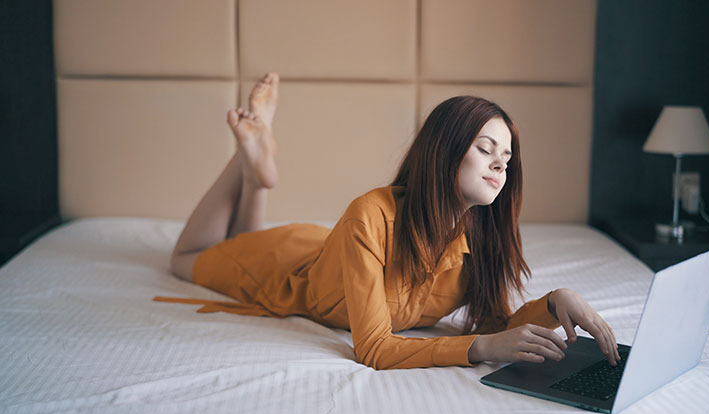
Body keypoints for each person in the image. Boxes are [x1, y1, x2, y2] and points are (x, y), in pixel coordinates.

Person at [154, 72, 621, 370]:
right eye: (485, 148)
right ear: (444, 150)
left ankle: (257, 176)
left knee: (239, 237)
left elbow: (497, 328)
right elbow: (373, 348)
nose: (501, 165)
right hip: (287, 267)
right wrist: (478, 350)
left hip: (333, 252)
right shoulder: (370, 214)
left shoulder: (479, 238)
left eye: (507, 157)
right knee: (185, 257)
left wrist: (555, 302)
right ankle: (247, 165)